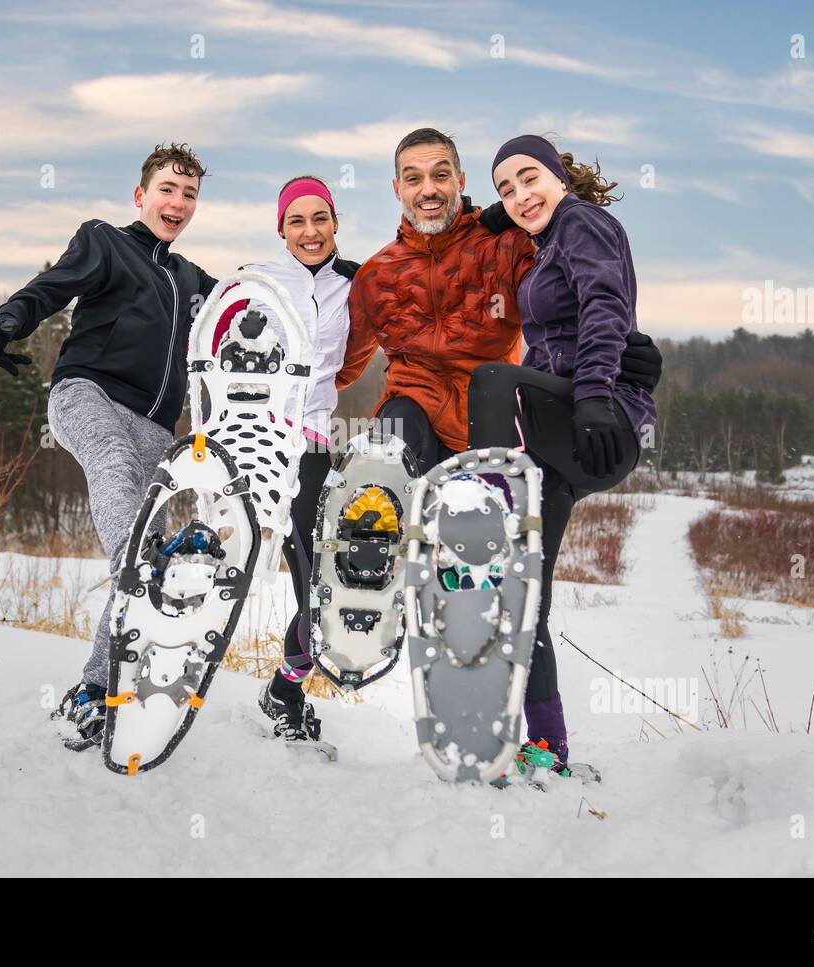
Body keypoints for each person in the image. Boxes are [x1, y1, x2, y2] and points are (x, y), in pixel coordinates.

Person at [0, 143, 218, 750]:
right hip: (88, 392)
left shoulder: (193, 279)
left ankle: (91, 690)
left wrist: (327, 274)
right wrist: (12, 318)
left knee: (143, 537)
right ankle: (141, 564)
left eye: (189, 194)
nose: (178, 202)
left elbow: (249, 305)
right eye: (168, 189)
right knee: (122, 500)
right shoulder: (105, 241)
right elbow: (55, 284)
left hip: (154, 424)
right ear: (142, 196)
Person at [468, 133, 657, 777]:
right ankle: (549, 747)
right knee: (525, 592)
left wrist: (597, 397)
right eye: (505, 189)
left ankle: (479, 510)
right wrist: (493, 213)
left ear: (559, 176)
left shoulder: (584, 222)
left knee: (494, 379)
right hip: (560, 441)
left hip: (595, 423)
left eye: (529, 179)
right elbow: (520, 220)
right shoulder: (548, 233)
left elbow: (606, 306)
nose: (520, 196)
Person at [337, 127, 661, 475]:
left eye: (441, 175)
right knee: (394, 436)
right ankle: (381, 515)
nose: (428, 189)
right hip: (413, 418)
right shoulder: (375, 276)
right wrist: (319, 283)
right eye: (413, 178)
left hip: (497, 418)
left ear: (460, 180)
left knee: (482, 517)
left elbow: (571, 302)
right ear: (397, 188)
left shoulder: (507, 247)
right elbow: (335, 370)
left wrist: (622, 362)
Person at [207, 176, 359, 744]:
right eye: (297, 221)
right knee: (260, 575)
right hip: (262, 444)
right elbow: (210, 355)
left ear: (335, 223)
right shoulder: (255, 282)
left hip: (318, 444)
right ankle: (161, 685)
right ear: (281, 229)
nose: (310, 231)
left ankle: (283, 689)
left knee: (324, 587)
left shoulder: (356, 284)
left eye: (320, 218)